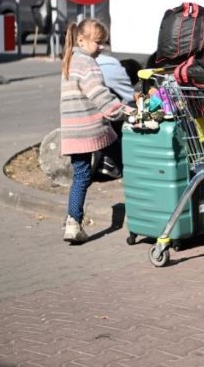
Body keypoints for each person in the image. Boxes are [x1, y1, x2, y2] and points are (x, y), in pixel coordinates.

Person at [60, 19, 133, 244]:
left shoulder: (70, 60)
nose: (102, 47)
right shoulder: (88, 63)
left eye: (104, 42)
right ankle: (143, 209)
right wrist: (126, 112)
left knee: (81, 176)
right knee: (126, 164)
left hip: (72, 131)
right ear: (81, 39)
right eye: (98, 42)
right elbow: (100, 95)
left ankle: (73, 223)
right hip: (93, 129)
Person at [96, 52, 139, 179]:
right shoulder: (114, 68)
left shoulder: (90, 63)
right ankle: (114, 163)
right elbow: (130, 98)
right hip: (105, 118)